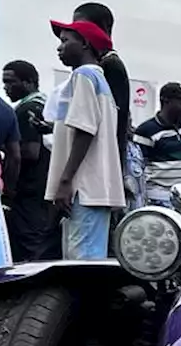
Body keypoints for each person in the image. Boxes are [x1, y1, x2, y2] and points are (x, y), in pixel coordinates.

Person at [45, 20, 125, 259]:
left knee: (81, 264)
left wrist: (66, 181)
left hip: (83, 188)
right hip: (92, 189)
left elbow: (85, 129)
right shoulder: (99, 80)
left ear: (85, 44)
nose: (59, 48)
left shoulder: (84, 76)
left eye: (65, 41)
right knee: (87, 260)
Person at [71, 3, 138, 208]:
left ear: (103, 28)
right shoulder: (95, 66)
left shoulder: (109, 66)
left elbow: (112, 120)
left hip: (106, 162)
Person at [2, 60, 60, 261]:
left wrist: (5, 147)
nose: (6, 87)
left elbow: (30, 151)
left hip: (29, 187)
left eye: (10, 82)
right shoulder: (46, 105)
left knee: (29, 242)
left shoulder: (27, 108)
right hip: (44, 185)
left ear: (28, 82)